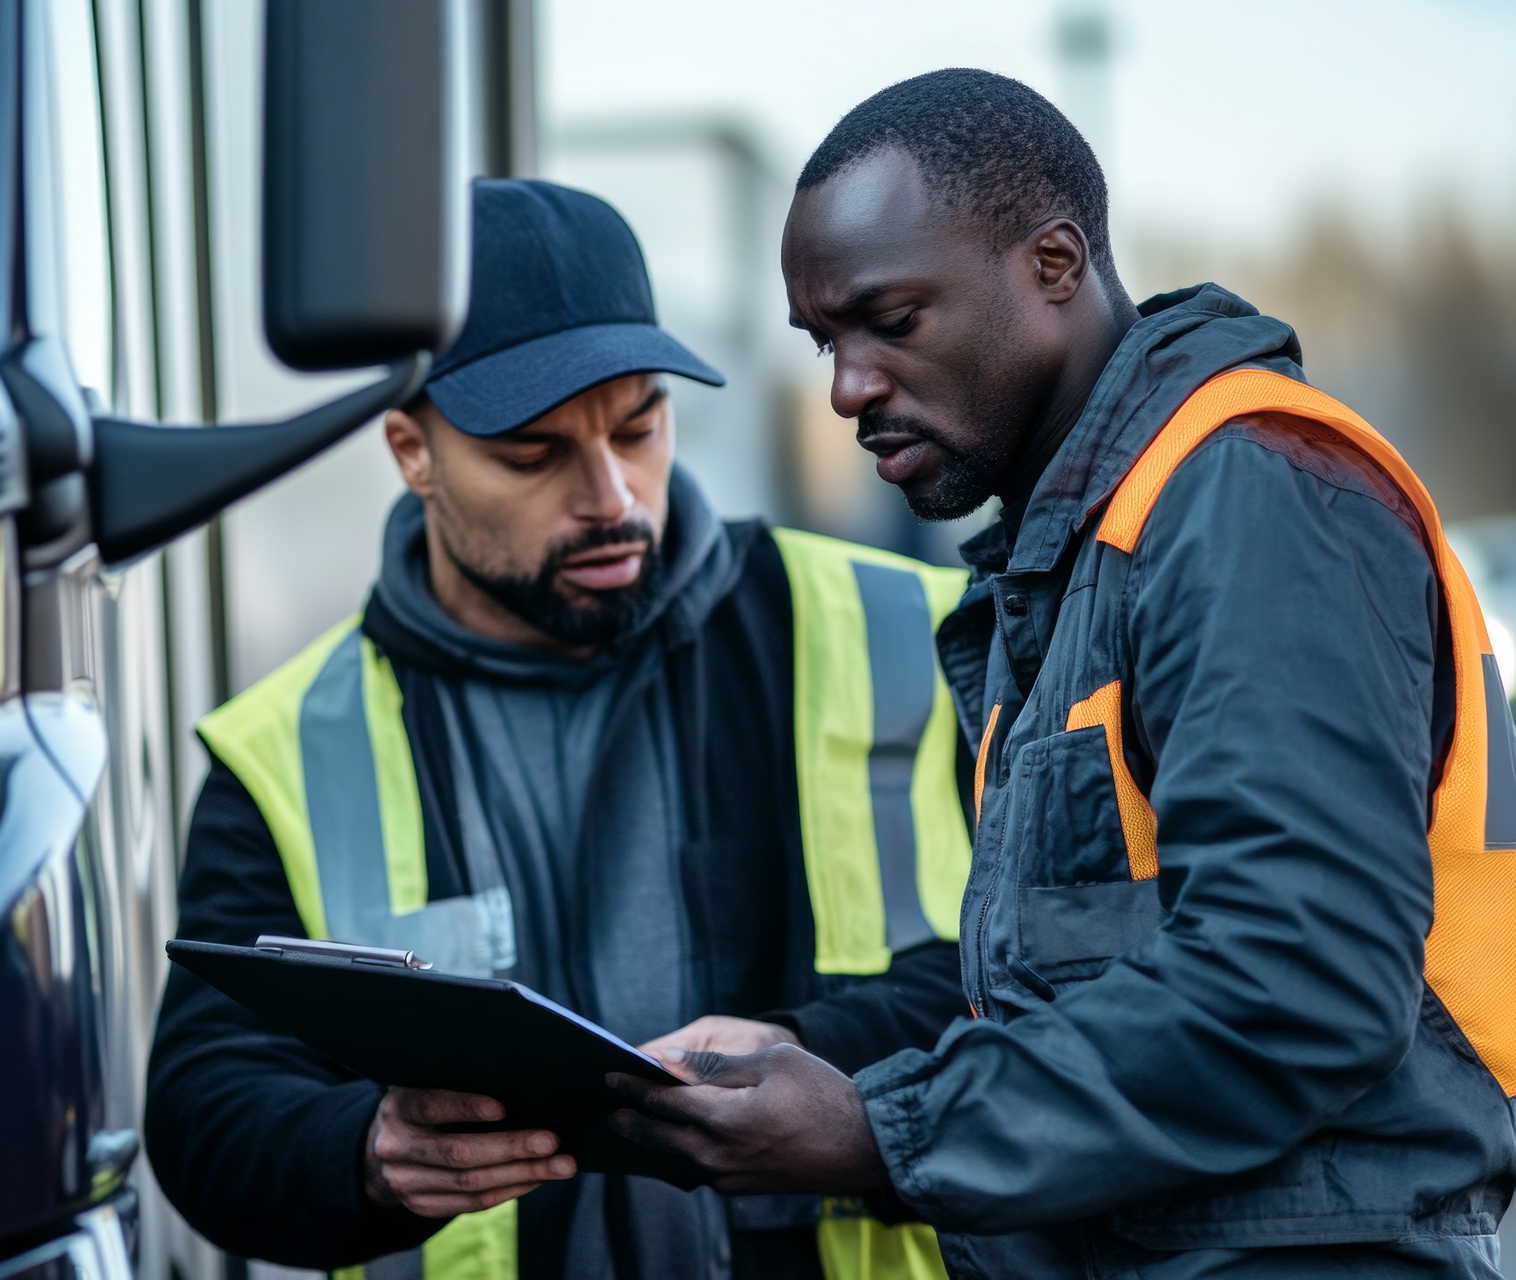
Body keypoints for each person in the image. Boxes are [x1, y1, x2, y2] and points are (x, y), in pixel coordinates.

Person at [607, 69, 1516, 1278]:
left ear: (1053, 262)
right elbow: (1098, 999)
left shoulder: (1250, 495)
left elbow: (1298, 982)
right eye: (827, 340)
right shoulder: (1079, 562)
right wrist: (820, 1068)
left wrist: (878, 1129)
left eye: (893, 319)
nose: (847, 387)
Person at [145, 178, 976, 1280]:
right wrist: (365, 1152)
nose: (613, 497)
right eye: (534, 455)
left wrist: (813, 1053)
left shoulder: (907, 634)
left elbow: (1050, 982)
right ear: (411, 450)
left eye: (640, 426)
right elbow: (206, 1108)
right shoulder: (287, 747)